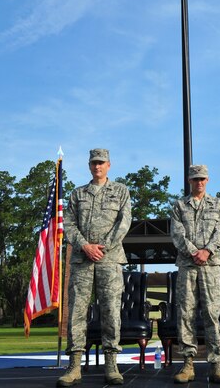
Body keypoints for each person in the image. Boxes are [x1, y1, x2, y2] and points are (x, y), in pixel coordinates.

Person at [57, 149, 131, 387]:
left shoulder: (120, 191)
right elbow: (68, 223)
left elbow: (124, 222)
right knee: (77, 311)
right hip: (82, 260)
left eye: (101, 163)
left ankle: (112, 366)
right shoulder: (78, 194)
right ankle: (75, 366)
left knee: (110, 311)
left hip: (110, 260)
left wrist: (103, 247)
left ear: (109, 165)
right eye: (93, 163)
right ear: (89, 166)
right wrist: (85, 246)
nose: (97, 166)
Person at [170, 164, 220, 384]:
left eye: (203, 178)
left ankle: (216, 364)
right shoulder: (179, 206)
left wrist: (207, 251)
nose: (199, 182)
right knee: (186, 312)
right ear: (189, 181)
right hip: (187, 265)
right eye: (195, 179)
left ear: (208, 180)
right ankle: (188, 364)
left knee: (212, 314)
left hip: (211, 266)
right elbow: (177, 235)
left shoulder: (217, 205)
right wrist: (195, 252)